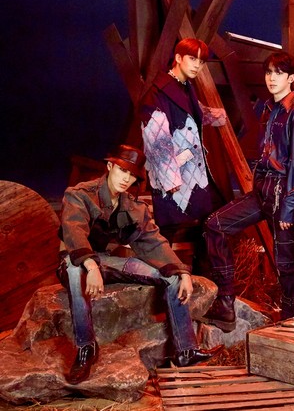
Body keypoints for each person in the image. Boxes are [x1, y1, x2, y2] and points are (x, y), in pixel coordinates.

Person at [57, 145, 222, 385]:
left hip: (106, 261)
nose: (126, 178)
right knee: (75, 270)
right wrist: (90, 266)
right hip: (75, 260)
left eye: (132, 174)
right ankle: (86, 348)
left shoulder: (132, 206)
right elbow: (74, 231)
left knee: (171, 277)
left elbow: (153, 241)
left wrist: (181, 271)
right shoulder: (79, 194)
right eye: (122, 170)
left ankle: (185, 351)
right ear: (110, 166)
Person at [203, 51, 294, 325]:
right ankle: (226, 302)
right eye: (268, 72)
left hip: (284, 193)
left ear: (291, 78)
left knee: (286, 263)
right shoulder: (269, 108)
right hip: (262, 190)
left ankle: (290, 318)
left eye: (279, 73)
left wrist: (290, 206)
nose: (271, 78)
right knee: (215, 225)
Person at [139, 38, 227, 253]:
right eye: (192, 58)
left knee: (206, 224)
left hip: (193, 172)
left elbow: (192, 113)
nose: (197, 65)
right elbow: (156, 141)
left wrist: (217, 116)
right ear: (178, 58)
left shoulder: (185, 86)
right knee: (169, 231)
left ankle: (202, 271)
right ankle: (166, 271)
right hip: (175, 174)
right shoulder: (157, 94)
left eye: (201, 61)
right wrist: (170, 178)